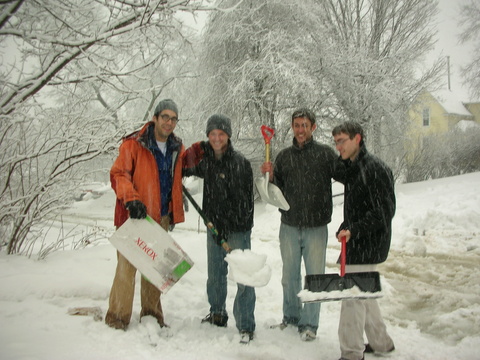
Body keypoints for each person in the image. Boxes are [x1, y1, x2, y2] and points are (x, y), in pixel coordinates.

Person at [261, 108, 343, 341]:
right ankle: (291, 317)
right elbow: (276, 189)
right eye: (297, 125)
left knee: (315, 277)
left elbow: (344, 173)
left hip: (316, 227)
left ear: (313, 127)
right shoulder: (284, 157)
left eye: (304, 125)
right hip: (289, 225)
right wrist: (270, 176)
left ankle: (309, 324)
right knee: (290, 276)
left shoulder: (325, 154)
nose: (300, 130)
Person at [105, 99, 185, 331]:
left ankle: (151, 315)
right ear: (155, 118)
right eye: (165, 117)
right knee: (126, 270)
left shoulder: (176, 147)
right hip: (135, 216)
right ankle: (117, 318)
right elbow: (118, 174)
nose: (169, 122)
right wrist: (132, 199)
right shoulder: (133, 144)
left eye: (173, 119)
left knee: (156, 270)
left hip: (161, 218)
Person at [183, 114, 256, 344]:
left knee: (243, 277)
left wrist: (231, 226)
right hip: (214, 229)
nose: (216, 138)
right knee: (215, 275)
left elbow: (246, 203)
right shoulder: (207, 163)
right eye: (212, 134)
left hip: (237, 231)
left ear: (228, 136)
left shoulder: (240, 163)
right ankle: (217, 313)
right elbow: (185, 167)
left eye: (221, 134)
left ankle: (245, 324)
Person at [331, 121, 396, 360]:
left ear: (357, 139)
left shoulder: (374, 169)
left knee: (352, 295)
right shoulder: (356, 167)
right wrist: (347, 227)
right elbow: (359, 207)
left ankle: (350, 353)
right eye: (335, 141)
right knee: (363, 292)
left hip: (368, 243)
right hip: (359, 239)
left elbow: (384, 212)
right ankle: (381, 343)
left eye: (342, 141)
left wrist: (354, 230)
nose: (338, 147)